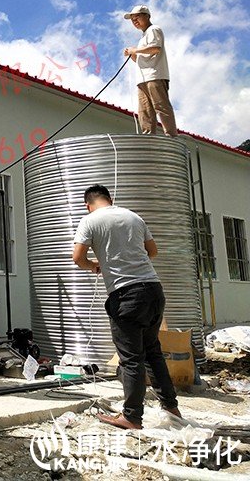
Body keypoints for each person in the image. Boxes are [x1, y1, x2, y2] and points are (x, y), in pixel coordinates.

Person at [71, 184, 180, 430]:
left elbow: (77, 258)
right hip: (153, 289)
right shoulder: (134, 217)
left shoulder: (89, 221)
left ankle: (131, 417)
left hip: (126, 296)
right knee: (152, 352)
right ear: (110, 199)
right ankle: (171, 408)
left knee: (131, 359)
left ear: (88, 205)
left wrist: (94, 266)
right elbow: (152, 251)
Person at [123, 4, 178, 137]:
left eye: (137, 17)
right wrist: (132, 54)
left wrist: (135, 50)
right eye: (132, 19)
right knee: (145, 110)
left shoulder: (154, 29)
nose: (134, 21)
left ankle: (171, 136)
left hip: (155, 75)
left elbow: (155, 48)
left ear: (147, 16)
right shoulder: (143, 37)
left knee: (161, 106)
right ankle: (148, 137)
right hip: (143, 78)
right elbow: (143, 59)